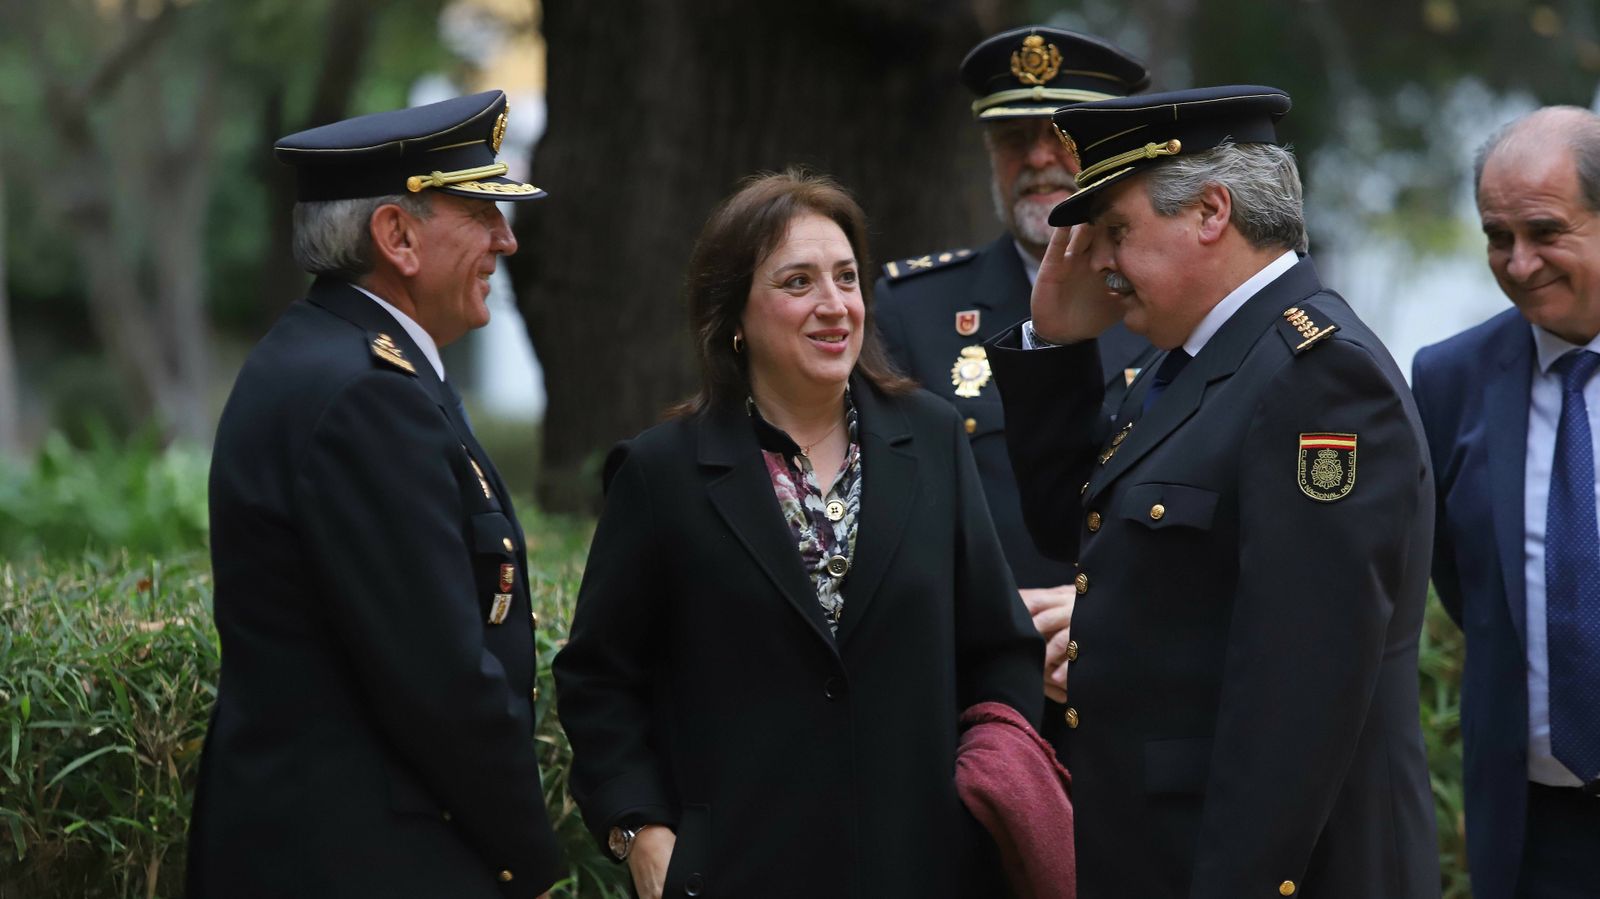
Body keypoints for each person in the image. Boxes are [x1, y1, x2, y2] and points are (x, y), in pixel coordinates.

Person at [986, 86, 1439, 898]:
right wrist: (1055, 343)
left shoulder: (1319, 379)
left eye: (1117, 230)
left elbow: (1294, 703)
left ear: (1210, 212)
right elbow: (1075, 527)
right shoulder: (1190, 363)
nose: (1099, 262)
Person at [553, 170, 1043, 899]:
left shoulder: (933, 438)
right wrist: (640, 830)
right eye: (797, 282)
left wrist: (980, 796)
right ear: (734, 315)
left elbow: (1001, 650)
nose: (834, 304)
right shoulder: (662, 472)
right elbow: (598, 678)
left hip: (924, 868)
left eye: (847, 277)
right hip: (736, 872)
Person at [187, 91, 562, 898]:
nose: (506, 238)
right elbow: (440, 681)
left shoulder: (333, 357)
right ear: (397, 236)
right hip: (371, 863)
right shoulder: (367, 391)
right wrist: (531, 860)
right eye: (482, 212)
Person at [872, 26, 1154, 722]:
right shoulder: (914, 308)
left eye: (1061, 135)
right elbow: (890, 512)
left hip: (1143, 679)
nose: (1037, 158)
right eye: (1012, 138)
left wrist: (1105, 609)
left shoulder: (1175, 298)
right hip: (979, 690)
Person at [1412, 105, 1600, 899]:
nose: (1519, 264)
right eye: (1497, 236)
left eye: (1545, 231)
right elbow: (1465, 584)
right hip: (1533, 833)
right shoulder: (1448, 379)